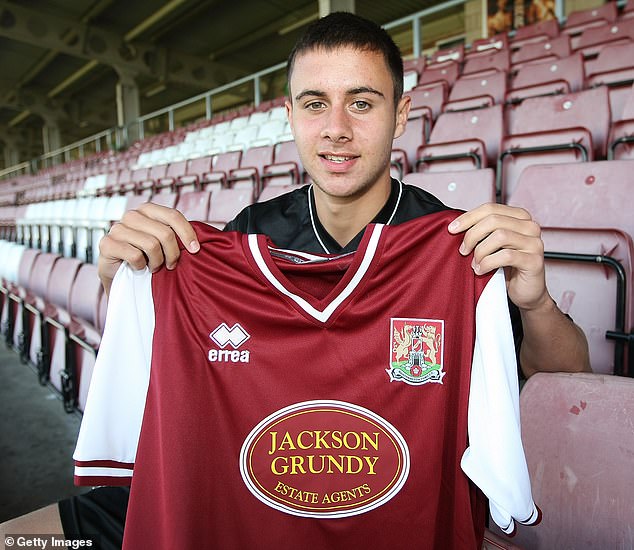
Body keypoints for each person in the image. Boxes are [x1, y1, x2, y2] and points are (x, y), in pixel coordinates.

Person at [1, 10, 590, 549]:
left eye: (361, 102)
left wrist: (534, 301)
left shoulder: (456, 246)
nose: (335, 129)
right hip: (230, 497)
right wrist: (118, 284)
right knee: (24, 541)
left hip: (391, 519)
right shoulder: (244, 237)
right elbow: (166, 367)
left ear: (401, 113)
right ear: (289, 116)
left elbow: (569, 382)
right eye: (314, 103)